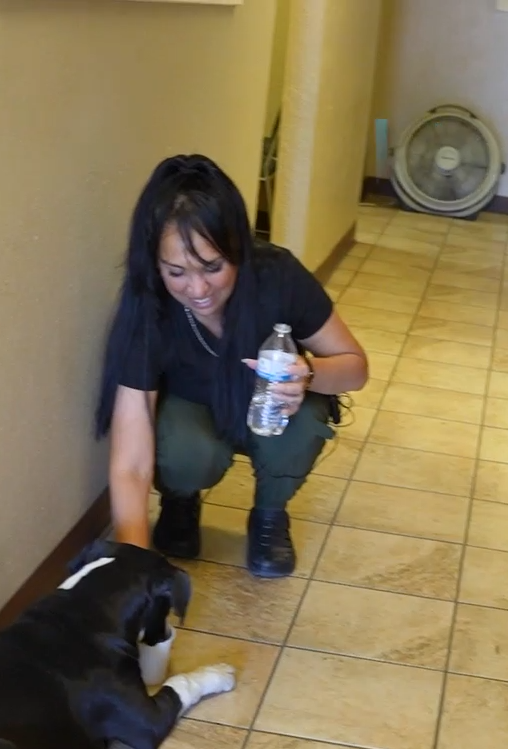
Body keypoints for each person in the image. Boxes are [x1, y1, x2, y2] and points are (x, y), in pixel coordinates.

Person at [94, 154, 368, 578]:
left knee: (305, 425)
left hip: (271, 408)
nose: (198, 289)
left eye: (213, 267)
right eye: (176, 272)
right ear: (154, 265)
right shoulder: (148, 308)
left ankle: (269, 514)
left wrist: (309, 374)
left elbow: (355, 367)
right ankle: (180, 500)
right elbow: (130, 460)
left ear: (237, 248)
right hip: (192, 410)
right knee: (184, 450)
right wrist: (132, 574)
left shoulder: (276, 275)